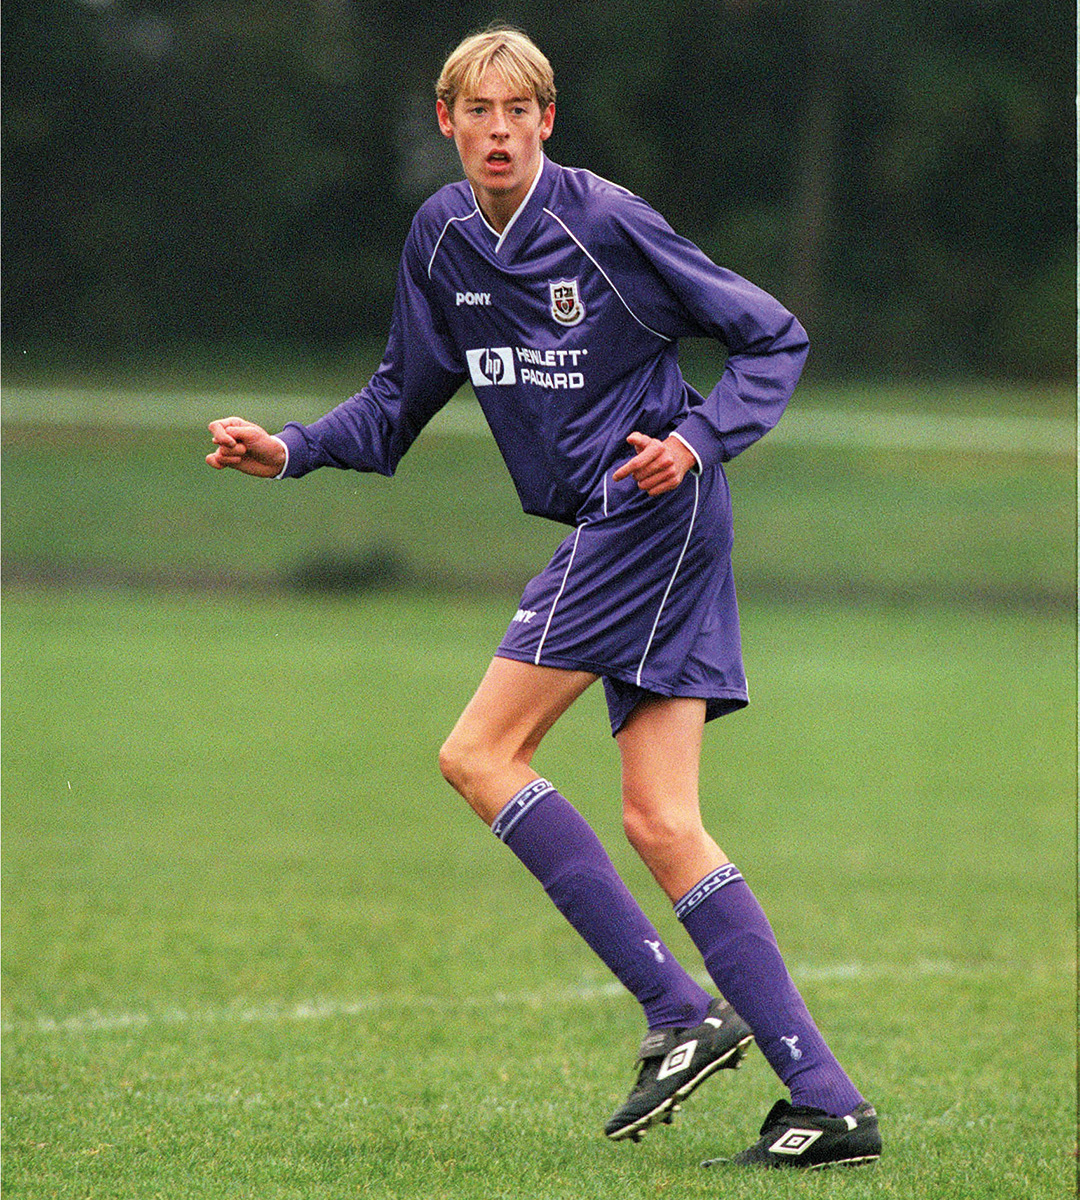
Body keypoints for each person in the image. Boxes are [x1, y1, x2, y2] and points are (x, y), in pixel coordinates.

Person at [206, 25, 881, 1170]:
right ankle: (828, 1103)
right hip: (630, 530)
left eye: (520, 111)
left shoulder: (606, 224)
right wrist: (293, 449)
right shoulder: (442, 237)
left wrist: (699, 441)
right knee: (662, 823)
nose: (500, 130)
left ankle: (677, 1012)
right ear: (449, 123)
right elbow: (396, 399)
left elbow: (772, 335)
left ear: (548, 122)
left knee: (479, 754)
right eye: (479, 111)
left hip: (648, 513)